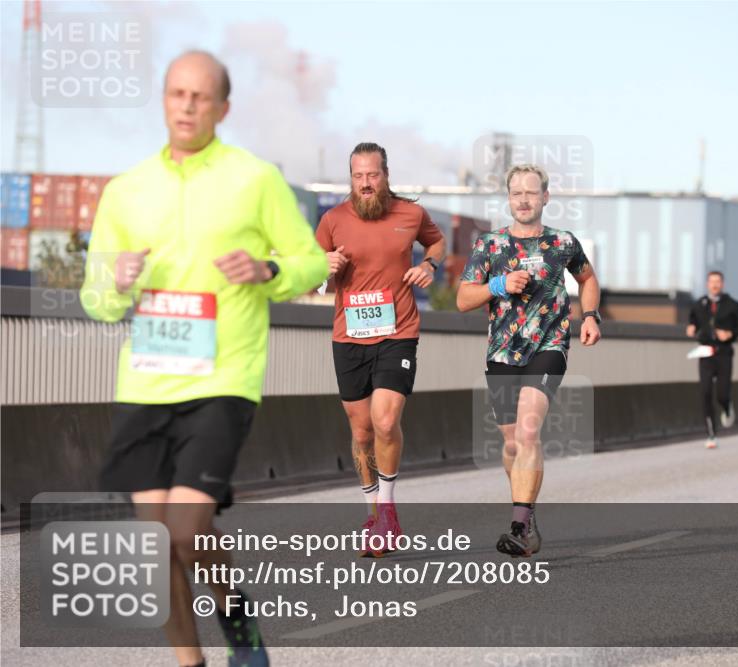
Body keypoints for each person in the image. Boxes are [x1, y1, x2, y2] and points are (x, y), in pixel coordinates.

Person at [81, 51, 328, 667]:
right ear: (164, 101)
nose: (187, 105)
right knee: (157, 543)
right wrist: (117, 280)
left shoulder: (254, 179)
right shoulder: (126, 191)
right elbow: (95, 298)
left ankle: (240, 633)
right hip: (146, 384)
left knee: (185, 529)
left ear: (223, 107)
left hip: (223, 378)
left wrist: (269, 269)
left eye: (200, 96)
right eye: (176, 94)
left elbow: (314, 262)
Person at [456, 164, 601, 557]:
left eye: (531, 193)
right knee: (510, 444)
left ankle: (519, 526)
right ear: (509, 198)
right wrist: (499, 285)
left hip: (548, 346)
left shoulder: (563, 244)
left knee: (528, 432)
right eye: (517, 192)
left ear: (545, 198)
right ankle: (528, 514)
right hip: (502, 352)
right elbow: (463, 299)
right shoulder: (490, 245)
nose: (524, 199)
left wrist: (589, 316)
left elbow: (587, 280)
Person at [315, 142, 446, 557]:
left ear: (385, 174)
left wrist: (429, 266)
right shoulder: (332, 220)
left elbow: (437, 244)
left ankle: (388, 513)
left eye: (372, 175)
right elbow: (306, 273)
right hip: (348, 338)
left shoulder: (411, 213)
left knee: (385, 421)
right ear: (350, 178)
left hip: (398, 331)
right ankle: (373, 512)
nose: (366, 183)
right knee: (361, 432)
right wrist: (324, 270)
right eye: (358, 176)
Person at [686, 271, 738, 449]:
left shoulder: (733, 305)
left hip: (724, 353)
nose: (715, 285)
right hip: (706, 353)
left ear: (722, 284)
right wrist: (691, 328)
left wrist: (731, 333)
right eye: (711, 282)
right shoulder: (699, 304)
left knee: (722, 392)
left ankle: (727, 406)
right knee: (705, 392)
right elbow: (693, 321)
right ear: (707, 284)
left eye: (718, 281)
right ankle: (711, 434)